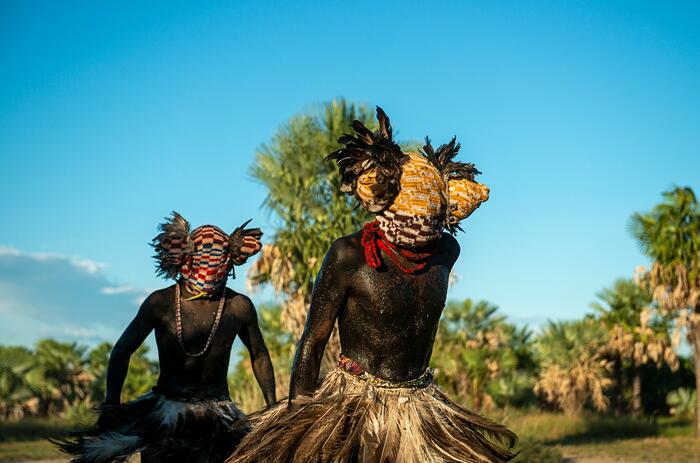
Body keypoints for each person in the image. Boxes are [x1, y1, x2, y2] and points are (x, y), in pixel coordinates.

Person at [228, 108, 516, 463]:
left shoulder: (446, 251)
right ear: (386, 208)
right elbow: (314, 339)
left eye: (429, 221)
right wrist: (298, 420)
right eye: (411, 221)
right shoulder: (350, 255)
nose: (420, 230)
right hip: (352, 402)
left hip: (420, 403)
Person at [55, 213, 276, 463]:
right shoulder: (162, 303)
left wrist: (272, 410)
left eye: (216, 266)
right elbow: (122, 351)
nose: (208, 275)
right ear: (186, 260)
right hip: (166, 413)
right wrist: (112, 407)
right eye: (203, 265)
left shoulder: (238, 307)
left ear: (227, 264)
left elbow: (259, 356)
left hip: (219, 414)